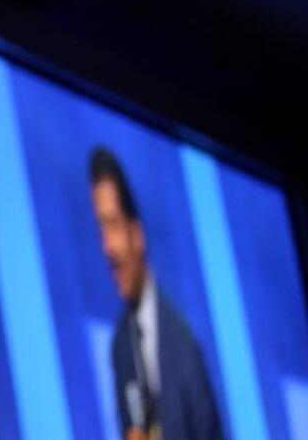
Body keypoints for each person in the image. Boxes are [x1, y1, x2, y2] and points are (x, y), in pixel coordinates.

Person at [89, 147, 223, 440]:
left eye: (112, 225)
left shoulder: (184, 340)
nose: (107, 248)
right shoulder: (122, 344)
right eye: (101, 231)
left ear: (137, 234)